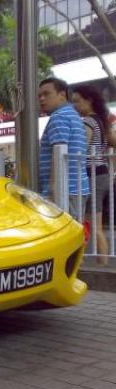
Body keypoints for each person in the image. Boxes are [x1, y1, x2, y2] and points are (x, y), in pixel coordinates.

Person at [72, 84, 116, 265]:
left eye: (77, 101)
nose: (74, 106)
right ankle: (102, 263)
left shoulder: (88, 122)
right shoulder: (102, 121)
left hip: (92, 176)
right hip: (103, 173)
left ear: (88, 101)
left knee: (91, 225)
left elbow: (80, 149)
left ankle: (101, 265)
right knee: (94, 224)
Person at [38, 77, 89, 220]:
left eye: (47, 94)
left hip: (64, 190)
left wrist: (53, 190)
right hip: (77, 187)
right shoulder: (73, 115)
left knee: (64, 237)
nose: (42, 99)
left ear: (62, 95)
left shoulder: (59, 117)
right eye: (39, 95)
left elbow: (59, 152)